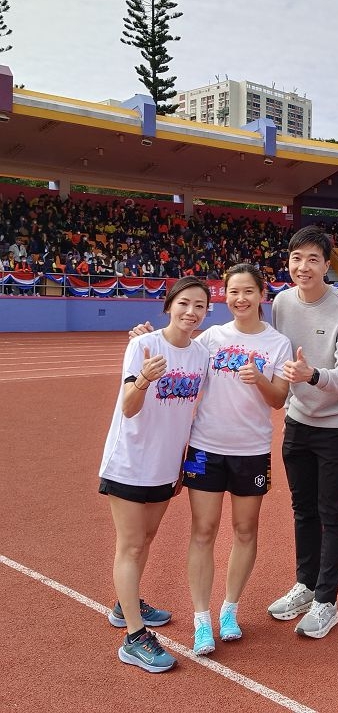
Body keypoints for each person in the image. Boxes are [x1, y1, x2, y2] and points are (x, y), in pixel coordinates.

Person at [128, 263, 292, 655]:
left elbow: (279, 399)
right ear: (225, 296)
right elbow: (177, 353)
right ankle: (202, 619)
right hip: (205, 448)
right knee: (203, 530)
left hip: (251, 450)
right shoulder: (212, 338)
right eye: (233, 292)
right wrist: (145, 338)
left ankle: (229, 610)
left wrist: (260, 379)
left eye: (248, 291)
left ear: (261, 295)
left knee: (245, 530)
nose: (240, 299)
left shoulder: (277, 343)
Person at [99, 276, 211, 673]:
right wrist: (146, 378)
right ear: (169, 306)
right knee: (130, 545)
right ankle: (134, 638)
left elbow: (196, 414)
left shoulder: (201, 354)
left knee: (145, 539)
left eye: (200, 306)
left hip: (166, 466)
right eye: (184, 303)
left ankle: (125, 603)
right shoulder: (144, 345)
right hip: (131, 462)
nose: (191, 312)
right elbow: (129, 407)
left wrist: (188, 465)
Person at [267, 226, 338, 639]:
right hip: (298, 421)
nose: (303, 266)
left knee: (333, 512)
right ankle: (306, 585)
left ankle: (327, 600)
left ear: (327, 265)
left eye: (312, 259)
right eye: (296, 258)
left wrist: (312, 376)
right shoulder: (281, 302)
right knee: (302, 509)